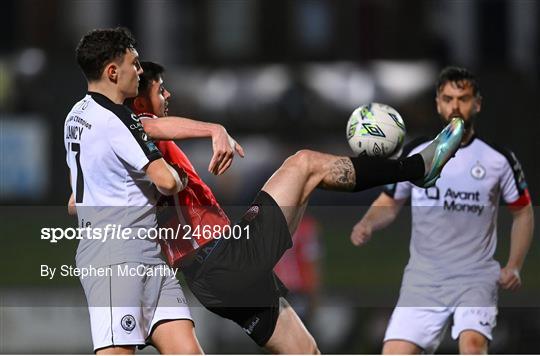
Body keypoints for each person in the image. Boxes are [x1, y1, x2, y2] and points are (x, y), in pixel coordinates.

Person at [127, 60, 465, 354]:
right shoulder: (134, 129)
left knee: (306, 350)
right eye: (160, 90)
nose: (168, 96)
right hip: (221, 259)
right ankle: (416, 168)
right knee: (303, 164)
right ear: (141, 100)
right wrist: (214, 128)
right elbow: (142, 125)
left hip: (212, 278)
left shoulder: (128, 148)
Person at [350, 66, 534, 354]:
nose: (455, 106)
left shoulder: (498, 159)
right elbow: (389, 201)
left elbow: (523, 212)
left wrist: (515, 265)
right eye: (448, 98)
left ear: (477, 104)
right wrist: (367, 223)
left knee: (472, 347)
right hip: (423, 279)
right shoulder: (418, 153)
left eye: (463, 98)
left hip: (475, 277)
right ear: (438, 104)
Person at [65, 28, 203, 354]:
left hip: (145, 258)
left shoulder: (75, 116)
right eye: (135, 64)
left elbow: (76, 201)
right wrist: (180, 177)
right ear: (113, 72)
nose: (140, 72)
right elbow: (166, 181)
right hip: (117, 259)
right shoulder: (119, 119)